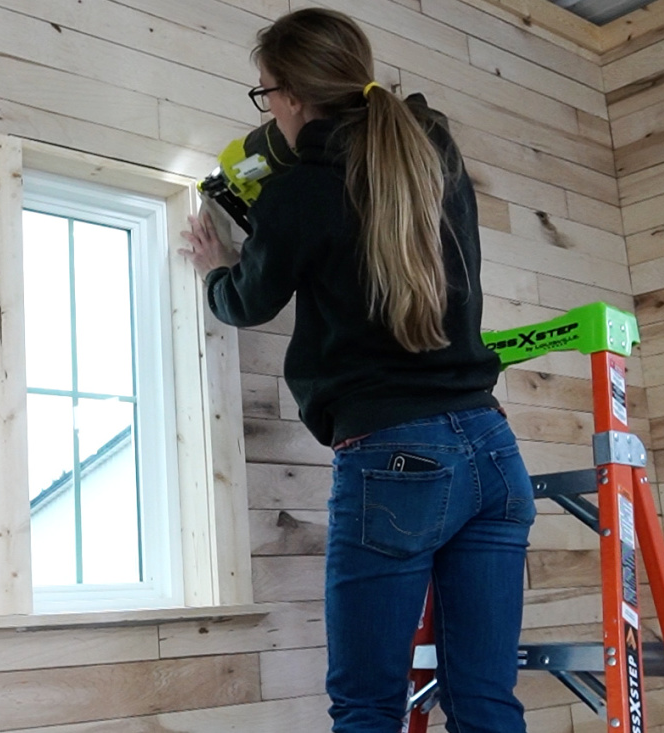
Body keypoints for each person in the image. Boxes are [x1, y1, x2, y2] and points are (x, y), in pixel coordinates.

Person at [180, 8, 535, 733]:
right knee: (485, 701)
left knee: (368, 707)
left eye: (265, 93)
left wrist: (221, 264)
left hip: (395, 459)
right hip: (495, 453)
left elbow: (247, 301)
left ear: (290, 97)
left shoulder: (299, 193)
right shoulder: (428, 146)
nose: (267, 108)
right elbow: (368, 235)